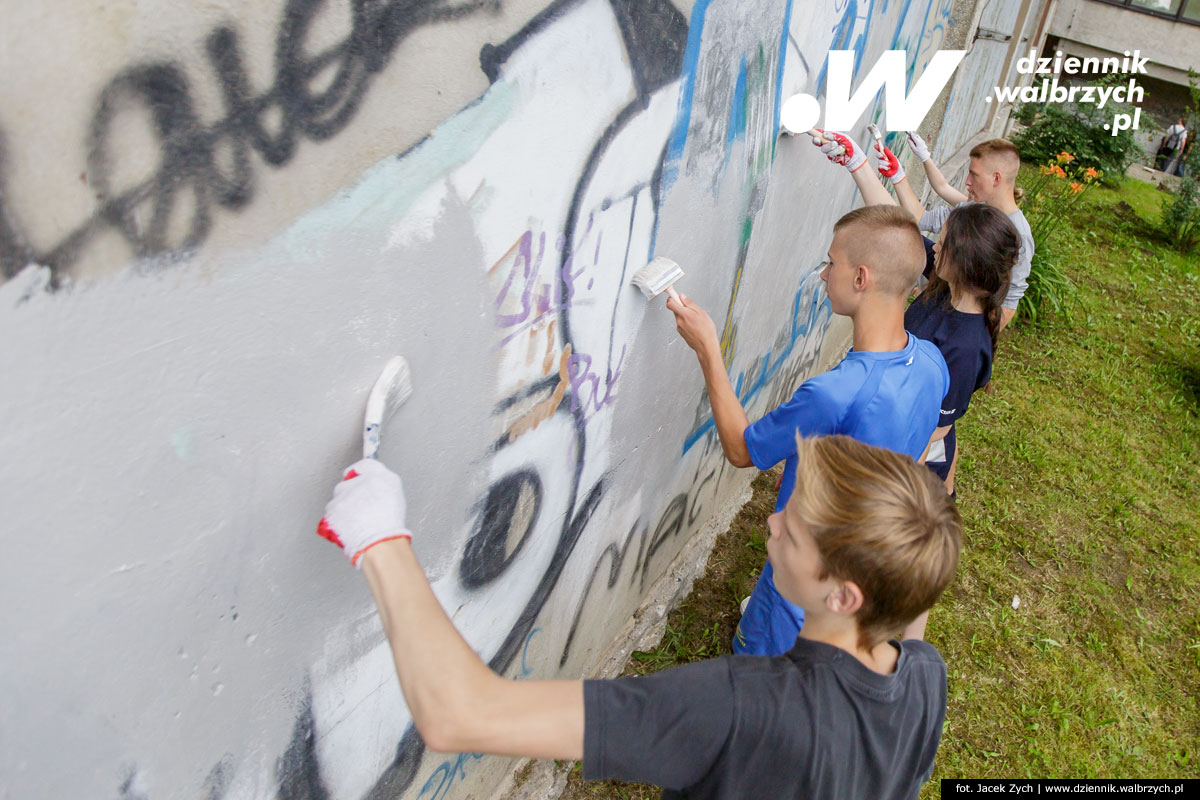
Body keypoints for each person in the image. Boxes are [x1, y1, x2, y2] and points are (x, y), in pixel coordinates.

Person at [316, 434, 962, 799]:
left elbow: (460, 715)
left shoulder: (737, 708)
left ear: (844, 596)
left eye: (792, 532)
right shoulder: (922, 679)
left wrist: (379, 542)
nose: (771, 522)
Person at [668, 187, 949, 657]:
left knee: (760, 686)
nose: (823, 274)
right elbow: (918, 456)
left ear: (861, 277)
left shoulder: (834, 393)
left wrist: (708, 350)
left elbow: (741, 449)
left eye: (831, 263)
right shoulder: (932, 362)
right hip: (863, 570)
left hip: (804, 580)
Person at [879, 135, 1034, 335]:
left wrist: (980, 342)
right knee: (904, 236)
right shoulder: (975, 208)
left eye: (974, 175)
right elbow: (931, 205)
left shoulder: (1018, 233)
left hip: (955, 314)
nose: (967, 182)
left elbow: (1010, 300)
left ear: (996, 178)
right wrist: (910, 168)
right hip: (942, 288)